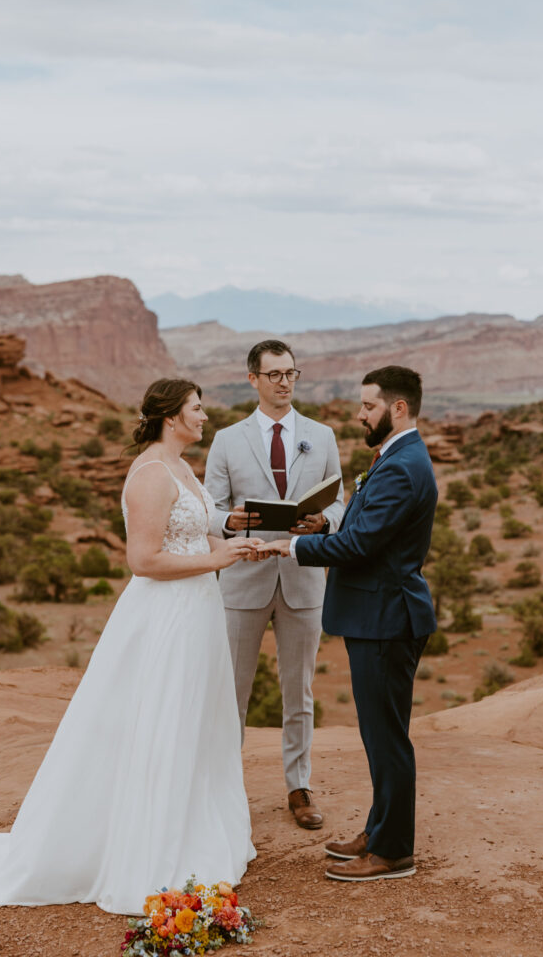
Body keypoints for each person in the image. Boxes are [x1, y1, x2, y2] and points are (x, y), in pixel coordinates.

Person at [0, 379, 259, 913]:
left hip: (198, 613)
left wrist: (234, 546)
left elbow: (199, 533)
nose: (205, 417)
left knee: (194, 721)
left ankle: (193, 831)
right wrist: (218, 561)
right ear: (169, 416)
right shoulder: (151, 476)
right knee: (159, 721)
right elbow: (143, 560)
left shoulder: (183, 467)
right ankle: (143, 846)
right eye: (197, 409)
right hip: (165, 619)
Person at [256, 365, 437, 881]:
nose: (360, 415)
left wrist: (289, 545)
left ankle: (393, 851)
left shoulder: (401, 466)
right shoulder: (395, 457)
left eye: (368, 406)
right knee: (379, 733)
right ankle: (379, 831)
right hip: (377, 615)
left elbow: (359, 545)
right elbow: (362, 528)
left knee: (387, 739)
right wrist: (323, 524)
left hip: (387, 618)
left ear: (397, 408)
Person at [204, 340, 344, 830]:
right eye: (274, 374)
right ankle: (221, 789)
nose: (284, 382)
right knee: (232, 693)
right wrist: (230, 521)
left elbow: (339, 503)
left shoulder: (322, 436)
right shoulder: (227, 439)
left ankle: (299, 787)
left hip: (303, 578)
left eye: (291, 373)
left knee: (298, 691)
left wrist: (323, 523)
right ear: (253, 380)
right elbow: (209, 509)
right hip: (243, 579)